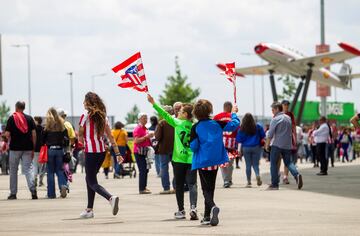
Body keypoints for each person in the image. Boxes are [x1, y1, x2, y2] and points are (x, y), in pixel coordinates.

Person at [190, 99, 239, 226]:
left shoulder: (195, 127)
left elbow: (194, 147)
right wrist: (233, 113)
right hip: (216, 160)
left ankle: (212, 207)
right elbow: (234, 124)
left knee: (205, 189)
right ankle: (207, 216)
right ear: (209, 110)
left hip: (202, 162)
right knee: (211, 187)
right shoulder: (218, 123)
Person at [148, 94, 198, 220]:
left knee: (179, 185)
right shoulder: (194, 126)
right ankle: (193, 208)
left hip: (178, 159)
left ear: (185, 114)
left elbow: (164, 115)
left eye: (180, 111)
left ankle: (181, 211)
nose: (177, 113)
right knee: (192, 184)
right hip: (192, 159)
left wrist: (154, 103)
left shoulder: (177, 123)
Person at [78, 92, 123, 218]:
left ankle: (110, 198)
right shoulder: (104, 117)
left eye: (84, 101)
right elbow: (111, 136)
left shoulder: (84, 116)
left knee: (91, 180)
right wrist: (118, 153)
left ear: (88, 103)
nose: (83, 103)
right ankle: (89, 209)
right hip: (102, 152)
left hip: (91, 152)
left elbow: (80, 135)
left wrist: (80, 142)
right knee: (90, 178)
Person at [264, 102, 303, 190]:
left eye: (273, 110)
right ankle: (297, 175)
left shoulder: (275, 119)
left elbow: (270, 134)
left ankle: (274, 184)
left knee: (273, 164)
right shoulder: (288, 118)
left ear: (277, 109)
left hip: (277, 144)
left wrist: (267, 145)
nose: (272, 112)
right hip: (287, 144)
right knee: (288, 162)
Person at [4, 101, 37, 200]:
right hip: (27, 148)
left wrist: (5, 137)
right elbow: (34, 134)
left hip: (15, 149)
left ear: (16, 107)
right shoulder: (30, 119)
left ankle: (13, 193)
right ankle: (33, 190)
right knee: (28, 169)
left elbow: (7, 134)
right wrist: (33, 147)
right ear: (24, 107)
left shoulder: (11, 118)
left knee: (13, 171)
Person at [42, 108, 70, 198]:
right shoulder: (62, 125)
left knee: (50, 172)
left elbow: (43, 140)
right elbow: (67, 139)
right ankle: (63, 185)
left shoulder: (47, 126)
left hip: (50, 150)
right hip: (60, 150)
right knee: (59, 170)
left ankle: (51, 194)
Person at [213, 101, 239, 188]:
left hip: (221, 144)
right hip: (231, 144)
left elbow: (213, 130)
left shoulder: (217, 117)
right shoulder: (233, 117)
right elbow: (237, 129)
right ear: (231, 107)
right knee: (230, 163)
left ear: (224, 107)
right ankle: (228, 179)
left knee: (222, 164)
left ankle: (226, 180)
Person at [236, 113, 265, 188]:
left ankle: (249, 182)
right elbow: (263, 136)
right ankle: (257, 175)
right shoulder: (257, 126)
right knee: (255, 164)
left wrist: (239, 151)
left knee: (248, 165)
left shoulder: (242, 128)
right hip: (256, 147)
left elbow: (239, 141)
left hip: (246, 148)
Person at [154, 105, 175, 194]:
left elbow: (157, 137)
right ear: (172, 112)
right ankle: (176, 187)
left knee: (164, 168)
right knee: (176, 168)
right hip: (175, 149)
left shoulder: (162, 123)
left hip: (164, 149)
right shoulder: (176, 121)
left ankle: (166, 188)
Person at [133, 113, 153, 194]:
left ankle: (144, 187)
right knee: (143, 170)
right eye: (144, 118)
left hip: (145, 151)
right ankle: (141, 189)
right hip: (139, 152)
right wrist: (146, 137)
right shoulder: (138, 128)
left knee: (146, 170)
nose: (146, 119)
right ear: (139, 119)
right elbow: (136, 141)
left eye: (146, 118)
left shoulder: (145, 128)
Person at [281, 100, 297, 185]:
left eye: (287, 105)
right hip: (279, 141)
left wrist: (295, 140)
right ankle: (276, 176)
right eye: (285, 105)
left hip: (288, 140)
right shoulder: (279, 114)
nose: (286, 106)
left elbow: (294, 127)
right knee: (277, 160)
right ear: (282, 105)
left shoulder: (291, 115)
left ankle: (285, 177)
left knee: (287, 160)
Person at [33, 116, 46, 187]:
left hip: (35, 149)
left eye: (34, 120)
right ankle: (40, 180)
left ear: (37, 121)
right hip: (42, 149)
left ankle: (35, 178)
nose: (33, 121)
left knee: (35, 165)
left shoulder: (33, 129)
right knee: (42, 166)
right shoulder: (43, 129)